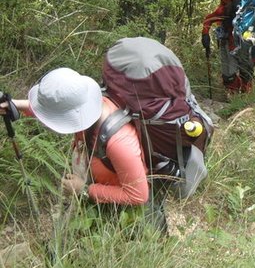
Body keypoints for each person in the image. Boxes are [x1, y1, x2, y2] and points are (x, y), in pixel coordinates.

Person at [1, 68, 150, 206]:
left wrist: (84, 190)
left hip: (112, 208)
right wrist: (14, 105)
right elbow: (55, 108)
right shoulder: (87, 105)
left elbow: (138, 196)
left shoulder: (120, 143)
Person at [201, 0, 255, 94]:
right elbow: (208, 20)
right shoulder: (225, 9)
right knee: (229, 75)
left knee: (246, 72)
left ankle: (244, 97)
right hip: (228, 41)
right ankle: (235, 96)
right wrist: (205, 34)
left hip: (243, 43)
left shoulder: (251, 12)